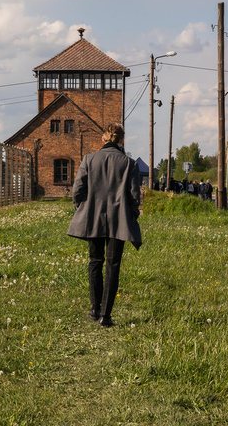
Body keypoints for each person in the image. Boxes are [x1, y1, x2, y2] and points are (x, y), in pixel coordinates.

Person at [67, 123, 142, 328]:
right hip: (119, 220)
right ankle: (106, 316)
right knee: (113, 265)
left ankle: (94, 309)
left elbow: (77, 191)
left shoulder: (89, 160)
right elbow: (135, 196)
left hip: (93, 218)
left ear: (102, 139)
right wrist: (132, 215)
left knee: (95, 261)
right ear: (121, 140)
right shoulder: (129, 163)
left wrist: (82, 209)